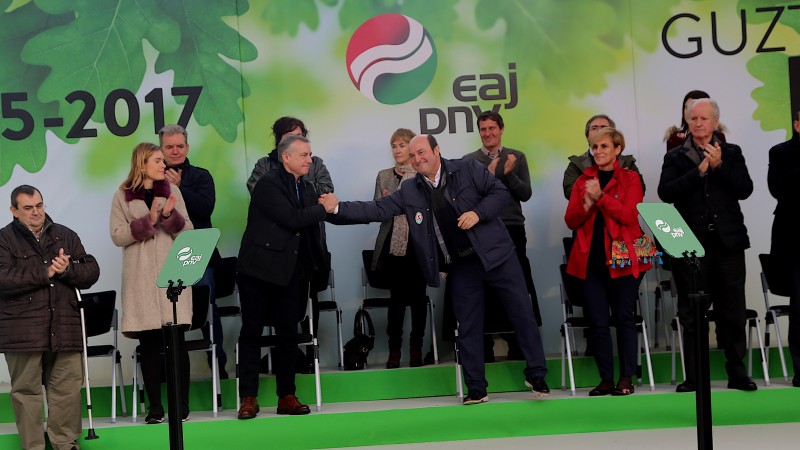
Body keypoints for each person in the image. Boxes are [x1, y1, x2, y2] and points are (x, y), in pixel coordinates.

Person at [321, 134, 550, 405]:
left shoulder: (467, 168)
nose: (417, 159)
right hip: (462, 265)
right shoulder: (410, 190)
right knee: (468, 327)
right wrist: (337, 208)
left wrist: (478, 213)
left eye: (422, 152)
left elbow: (499, 192)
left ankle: (537, 375)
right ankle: (477, 388)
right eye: (413, 155)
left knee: (522, 313)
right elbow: (377, 209)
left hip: (498, 256)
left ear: (437, 150)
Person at [658, 98, 757, 392]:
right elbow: (665, 192)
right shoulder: (675, 156)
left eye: (704, 118)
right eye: (694, 118)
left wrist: (719, 167)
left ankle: (737, 374)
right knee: (692, 313)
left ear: (715, 122)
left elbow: (745, 189)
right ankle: (695, 378)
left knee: (733, 312)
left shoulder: (732, 152)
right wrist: (698, 171)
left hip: (728, 244)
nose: (698, 123)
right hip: (690, 246)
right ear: (687, 122)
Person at [236, 134, 330, 419]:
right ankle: (248, 398)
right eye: (304, 155)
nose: (309, 159)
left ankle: (287, 396)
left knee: (288, 333)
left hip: (291, 272)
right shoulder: (268, 184)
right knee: (252, 332)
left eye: (310, 154)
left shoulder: (307, 186)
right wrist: (323, 208)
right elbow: (292, 219)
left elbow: (314, 223)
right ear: (285, 157)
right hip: (257, 271)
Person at [0, 185, 100, 450]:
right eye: (28, 208)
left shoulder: (65, 235)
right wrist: (45, 272)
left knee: (67, 391)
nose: (36, 212)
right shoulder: (4, 239)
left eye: (39, 205)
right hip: (23, 332)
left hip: (65, 328)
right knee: (26, 393)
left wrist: (67, 269)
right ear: (13, 211)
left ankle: (65, 445)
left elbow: (91, 270)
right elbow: (3, 279)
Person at [110, 142, 194, 423]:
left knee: (177, 342)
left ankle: (181, 405)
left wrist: (169, 216)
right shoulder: (122, 195)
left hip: (172, 275)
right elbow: (117, 235)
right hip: (141, 278)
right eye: (157, 160)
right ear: (142, 163)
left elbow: (188, 231)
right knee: (149, 344)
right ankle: (155, 407)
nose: (163, 165)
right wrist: (150, 220)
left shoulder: (173, 192)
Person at [565, 128, 651, 396]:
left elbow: (629, 215)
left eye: (604, 146)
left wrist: (601, 198)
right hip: (590, 260)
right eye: (595, 147)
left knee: (624, 317)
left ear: (617, 149)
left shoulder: (630, 178)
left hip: (622, 259)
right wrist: (587, 203)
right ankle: (605, 379)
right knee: (598, 321)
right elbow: (570, 220)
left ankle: (626, 378)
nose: (598, 151)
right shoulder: (583, 180)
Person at [246, 116, 333, 374]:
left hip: (304, 252)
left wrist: (303, 191)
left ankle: (304, 364)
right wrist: (304, 204)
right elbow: (274, 204)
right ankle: (256, 384)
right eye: (289, 137)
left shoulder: (315, 165)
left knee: (300, 312)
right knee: (264, 324)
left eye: (300, 136)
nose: (308, 159)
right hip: (270, 258)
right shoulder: (265, 169)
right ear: (282, 148)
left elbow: (325, 196)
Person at [463, 111, 541, 361]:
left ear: (501, 129)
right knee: (483, 288)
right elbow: (468, 199)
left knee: (517, 287)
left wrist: (508, 174)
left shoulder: (517, 157)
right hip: (482, 230)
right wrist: (489, 174)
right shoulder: (468, 162)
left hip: (512, 227)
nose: (487, 133)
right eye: (483, 129)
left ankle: (519, 347)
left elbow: (525, 193)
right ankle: (484, 347)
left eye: (492, 128)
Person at [159, 124, 227, 379]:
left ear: (187, 148)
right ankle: (170, 376)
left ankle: (218, 370)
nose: (175, 151)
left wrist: (180, 188)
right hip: (165, 255)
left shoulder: (201, 176)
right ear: (161, 149)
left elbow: (205, 209)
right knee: (165, 316)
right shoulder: (152, 179)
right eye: (169, 147)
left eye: (180, 146)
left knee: (207, 312)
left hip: (198, 253)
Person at [371, 128, 428, 368]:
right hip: (393, 246)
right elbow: (376, 211)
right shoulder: (384, 176)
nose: (397, 150)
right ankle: (394, 350)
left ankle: (416, 348)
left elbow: (426, 210)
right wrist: (387, 203)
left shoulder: (422, 175)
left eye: (402, 145)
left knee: (418, 299)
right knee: (396, 300)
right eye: (394, 146)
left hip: (418, 245)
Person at [767, 109, 800, 387]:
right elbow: (777, 188)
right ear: (797, 125)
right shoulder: (780, 152)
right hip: (795, 240)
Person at [562, 114, 644, 200]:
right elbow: (570, 193)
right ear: (587, 136)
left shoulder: (627, 162)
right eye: (594, 128)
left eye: (604, 127)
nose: (599, 131)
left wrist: (597, 193)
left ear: (613, 135)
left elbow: (638, 191)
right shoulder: (576, 164)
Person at [663, 90, 727, 151]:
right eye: (686, 107)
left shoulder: (718, 137)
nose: (689, 111)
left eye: (693, 107)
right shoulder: (674, 139)